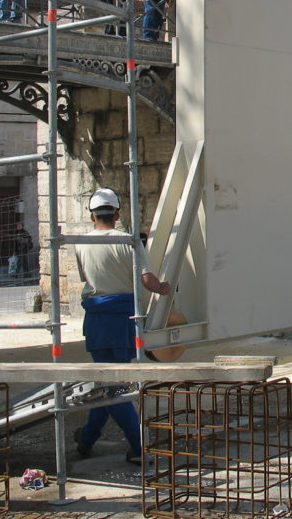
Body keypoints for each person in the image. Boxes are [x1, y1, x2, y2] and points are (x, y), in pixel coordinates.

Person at [73, 188, 170, 464]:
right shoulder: (129, 241)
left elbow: (87, 278)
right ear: (117, 214)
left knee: (109, 383)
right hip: (125, 320)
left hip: (98, 320)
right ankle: (135, 445)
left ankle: (92, 439)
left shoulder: (80, 242)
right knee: (113, 387)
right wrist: (165, 288)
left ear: (92, 216)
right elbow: (148, 281)